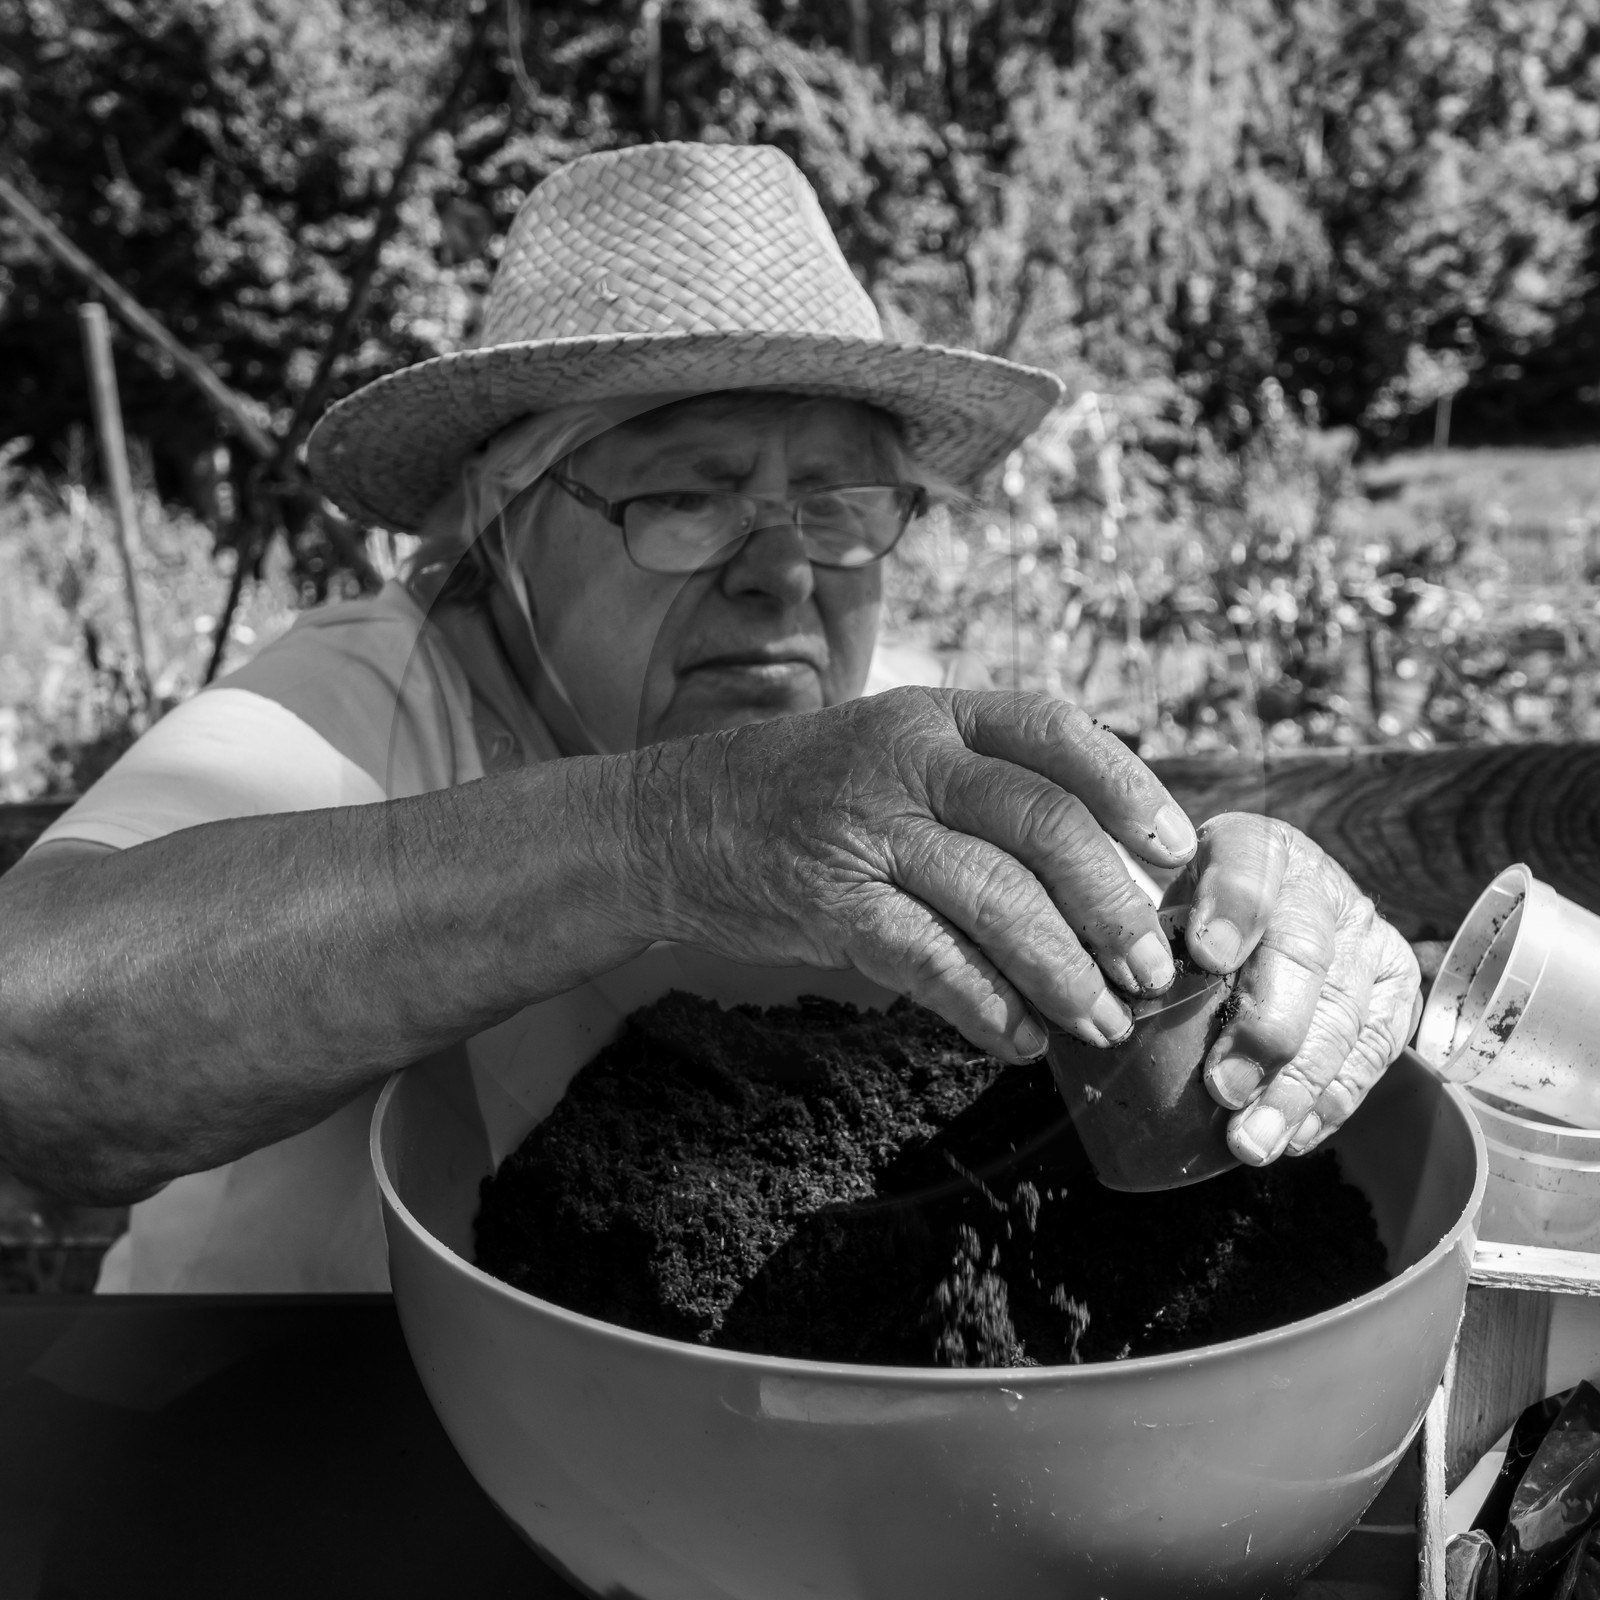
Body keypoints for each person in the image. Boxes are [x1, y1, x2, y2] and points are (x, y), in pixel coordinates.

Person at [0, 142, 1419, 1292]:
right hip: (273, 1455)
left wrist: (1245, 909)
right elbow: (25, 1051)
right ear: (498, 529)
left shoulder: (866, 723)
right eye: (687, 494)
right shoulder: (364, 703)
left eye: (843, 502)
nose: (787, 569)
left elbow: (1135, 906)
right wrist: (677, 826)